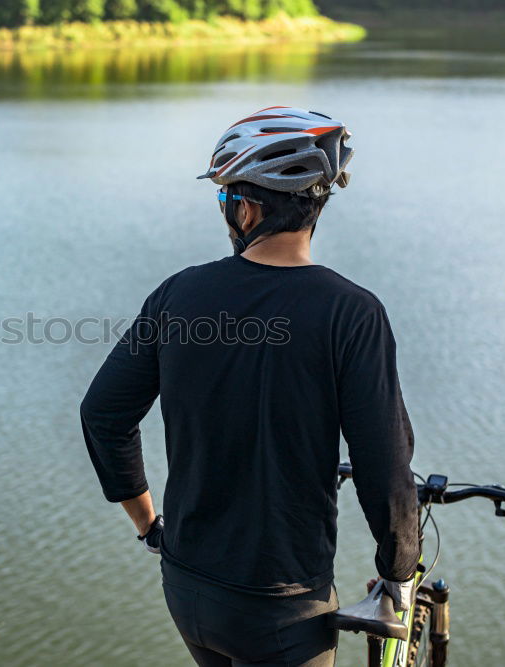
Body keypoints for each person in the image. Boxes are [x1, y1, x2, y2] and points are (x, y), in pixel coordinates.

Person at [80, 106, 420, 666]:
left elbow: (103, 415)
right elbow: (385, 469)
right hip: (282, 608)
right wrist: (398, 575)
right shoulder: (351, 313)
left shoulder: (178, 295)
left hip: (187, 588)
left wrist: (149, 528)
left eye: (223, 198)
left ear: (248, 205)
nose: (224, 211)